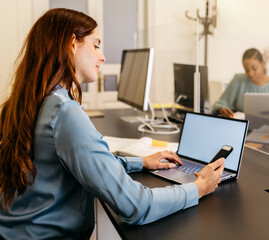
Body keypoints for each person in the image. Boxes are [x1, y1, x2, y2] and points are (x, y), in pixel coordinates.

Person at [0, 8, 225, 239]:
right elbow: (136, 206)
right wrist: (197, 188)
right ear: (71, 44)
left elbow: (85, 162)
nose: (103, 56)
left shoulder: (27, 103)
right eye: (96, 45)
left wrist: (140, 162)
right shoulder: (65, 113)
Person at [213, 48, 269, 118]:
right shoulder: (238, 80)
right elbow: (222, 103)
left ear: (262, 64)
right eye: (247, 70)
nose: (251, 74)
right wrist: (222, 109)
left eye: (254, 68)